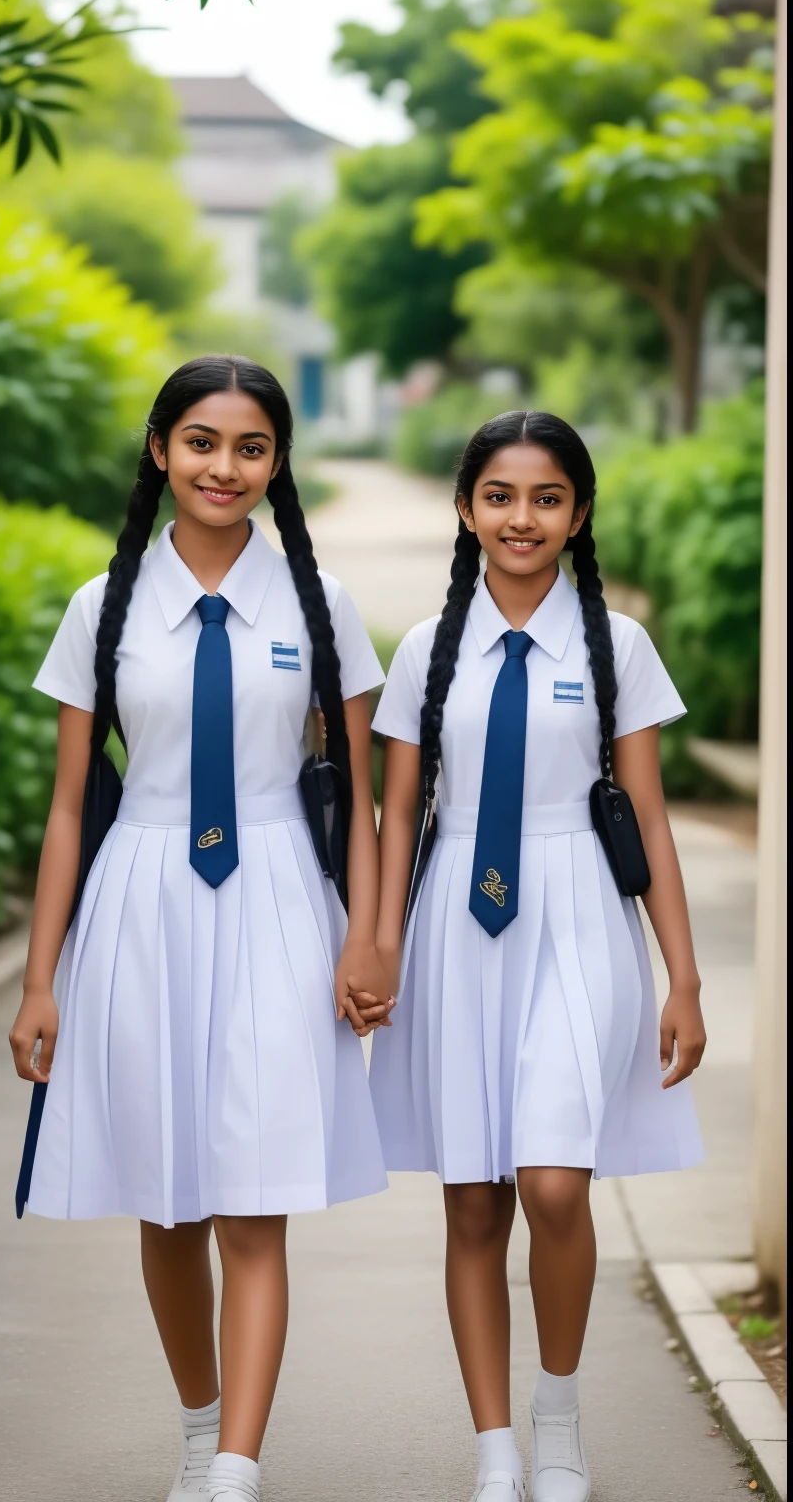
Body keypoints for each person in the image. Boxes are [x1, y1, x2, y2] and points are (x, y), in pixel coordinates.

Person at [8, 355, 390, 1502]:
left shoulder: (320, 611)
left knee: (251, 1196)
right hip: (138, 907)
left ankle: (233, 1467)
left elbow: (358, 796)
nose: (224, 467)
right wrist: (40, 981)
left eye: (251, 448)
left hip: (279, 901)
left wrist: (366, 937)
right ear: (161, 451)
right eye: (202, 443)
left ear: (277, 465)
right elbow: (71, 805)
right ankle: (196, 1422)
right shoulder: (102, 605)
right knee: (165, 1201)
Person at [363, 411, 706, 1502]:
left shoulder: (617, 645)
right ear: (466, 508)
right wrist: (371, 945)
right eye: (499, 497)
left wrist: (682, 978)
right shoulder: (425, 649)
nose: (521, 518)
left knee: (554, 1184)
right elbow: (394, 811)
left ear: (577, 513)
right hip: (455, 930)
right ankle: (496, 1448)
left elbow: (648, 821)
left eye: (546, 497)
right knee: (472, 1202)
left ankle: (557, 1423)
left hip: (577, 919)